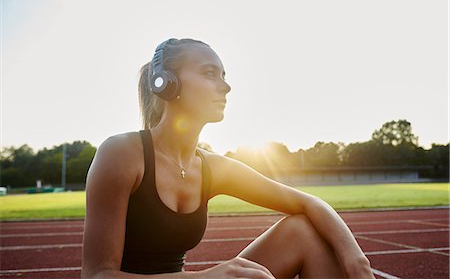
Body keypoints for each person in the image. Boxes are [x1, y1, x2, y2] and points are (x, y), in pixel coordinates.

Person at [81, 38, 374, 279]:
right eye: (210, 73)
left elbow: (308, 203)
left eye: (224, 76)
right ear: (167, 83)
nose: (226, 86)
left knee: (302, 231)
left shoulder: (211, 167)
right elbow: (96, 276)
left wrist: (356, 261)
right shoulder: (122, 153)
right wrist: (203, 277)